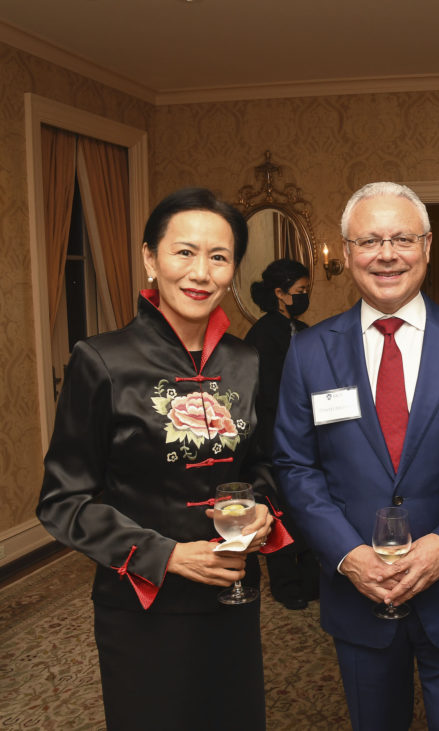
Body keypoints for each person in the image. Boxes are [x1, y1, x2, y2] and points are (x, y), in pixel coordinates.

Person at [37, 187, 291, 730]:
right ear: (150, 257)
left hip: (232, 593)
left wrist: (263, 508)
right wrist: (169, 556)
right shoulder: (101, 360)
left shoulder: (247, 362)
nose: (201, 272)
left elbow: (263, 465)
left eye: (218, 257)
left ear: (232, 271)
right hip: (142, 603)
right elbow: (64, 502)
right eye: (184, 252)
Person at [274, 181, 439, 730]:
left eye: (402, 238)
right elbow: (294, 464)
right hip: (357, 592)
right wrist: (347, 555)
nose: (386, 254)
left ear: (427, 247)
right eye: (369, 241)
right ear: (348, 253)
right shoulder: (308, 350)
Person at [245, 258, 320, 610]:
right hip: (274, 437)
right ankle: (284, 582)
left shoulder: (303, 329)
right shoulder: (262, 334)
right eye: (299, 292)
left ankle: (309, 576)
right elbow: (266, 394)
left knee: (306, 505)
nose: (304, 297)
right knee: (277, 510)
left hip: (308, 433)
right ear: (279, 293)